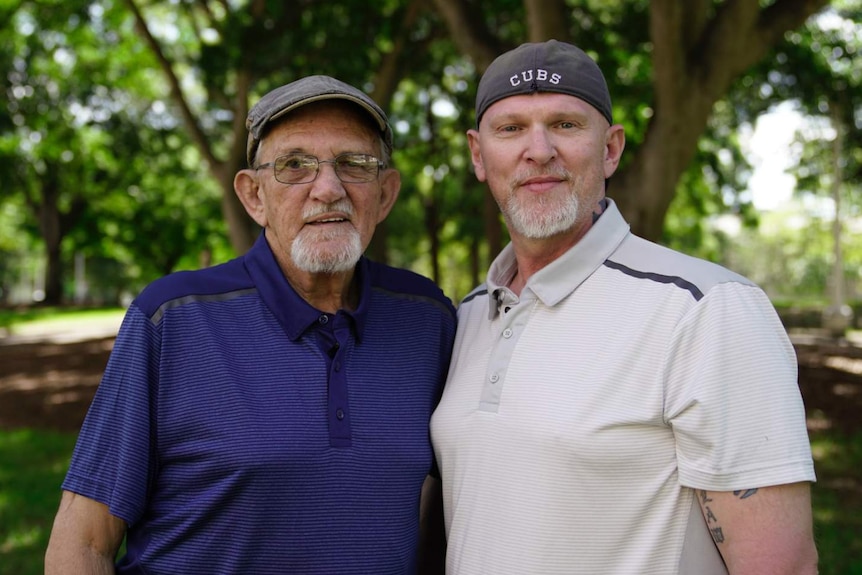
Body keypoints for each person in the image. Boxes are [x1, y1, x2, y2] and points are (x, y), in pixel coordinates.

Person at [430, 40, 817, 574]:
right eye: (511, 128)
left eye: (565, 125)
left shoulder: (706, 311)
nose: (538, 150)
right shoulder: (468, 316)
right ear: (478, 154)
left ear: (610, 149)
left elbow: (782, 566)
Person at [44, 75, 456, 574]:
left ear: (385, 194)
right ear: (253, 196)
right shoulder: (173, 319)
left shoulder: (427, 319)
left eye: (354, 164)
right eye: (295, 166)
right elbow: (82, 545)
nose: (328, 189)